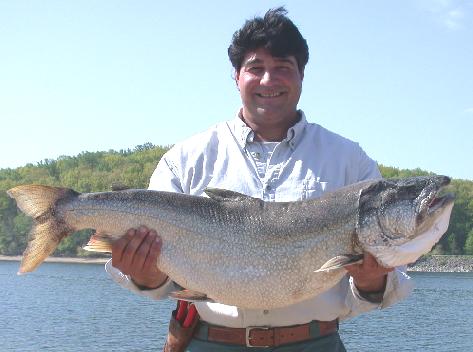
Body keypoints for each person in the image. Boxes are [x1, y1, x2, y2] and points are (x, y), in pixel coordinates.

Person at [106, 7, 414, 351]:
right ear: (236, 76)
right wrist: (145, 274)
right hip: (209, 341)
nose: (269, 80)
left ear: (301, 76)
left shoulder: (350, 162)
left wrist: (374, 281)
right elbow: (157, 282)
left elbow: (380, 289)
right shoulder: (185, 159)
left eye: (283, 68)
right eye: (256, 69)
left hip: (316, 342)